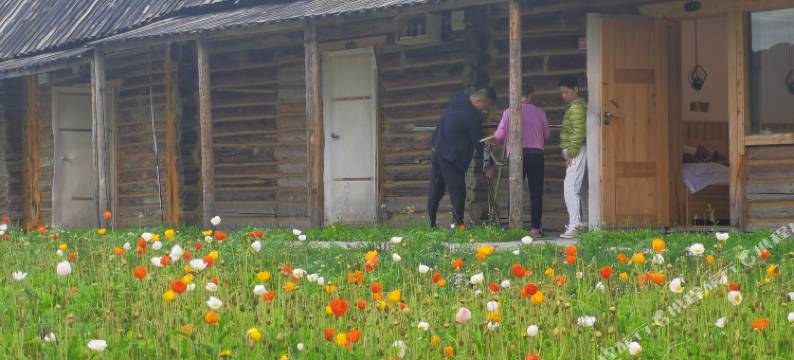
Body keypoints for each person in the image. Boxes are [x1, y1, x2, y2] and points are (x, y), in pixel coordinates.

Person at [427, 87, 496, 228]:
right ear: (479, 101)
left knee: (436, 189)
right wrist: (488, 164)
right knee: (458, 191)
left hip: (437, 149)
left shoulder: (457, 98)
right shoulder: (471, 115)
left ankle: (431, 224)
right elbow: (479, 142)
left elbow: (460, 122)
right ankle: (459, 226)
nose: (485, 109)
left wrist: (481, 116)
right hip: (451, 156)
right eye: (486, 106)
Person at [486, 85, 550, 237]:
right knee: (536, 192)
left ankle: (514, 227)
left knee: (514, 190)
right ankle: (535, 229)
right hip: (536, 154)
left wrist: (496, 133)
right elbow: (546, 135)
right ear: (530, 96)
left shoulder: (508, 112)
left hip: (515, 155)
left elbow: (500, 136)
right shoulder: (539, 112)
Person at [558, 76, 587, 239]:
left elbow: (578, 132)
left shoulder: (576, 108)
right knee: (581, 187)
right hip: (579, 149)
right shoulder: (577, 106)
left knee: (570, 187)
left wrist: (571, 154)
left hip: (577, 150)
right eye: (562, 93)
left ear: (576, 89)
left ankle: (574, 225)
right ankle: (585, 223)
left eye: (566, 92)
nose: (564, 95)